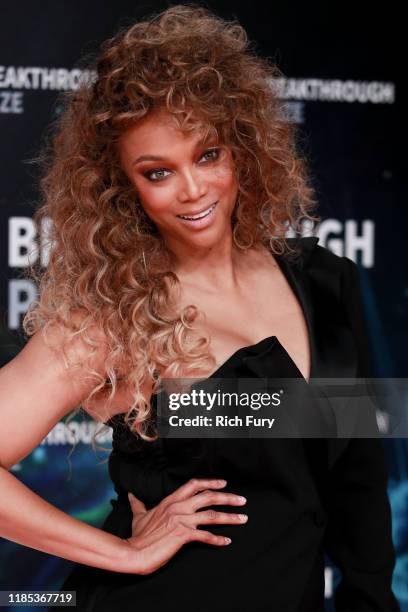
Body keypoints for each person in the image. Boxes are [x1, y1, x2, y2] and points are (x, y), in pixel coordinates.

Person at [0, 4, 399, 611]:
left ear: (241, 146)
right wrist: (124, 554)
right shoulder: (115, 315)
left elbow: (358, 481)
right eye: (158, 172)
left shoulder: (324, 282)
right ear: (123, 186)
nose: (192, 190)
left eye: (208, 155)